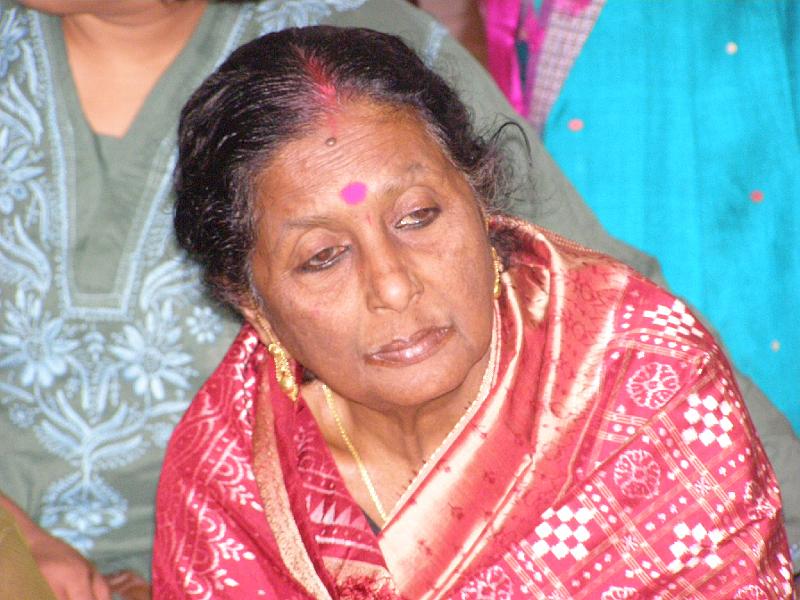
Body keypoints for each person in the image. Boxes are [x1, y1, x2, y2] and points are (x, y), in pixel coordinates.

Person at [1, 0, 797, 597]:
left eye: (419, 217)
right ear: (249, 301)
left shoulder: (637, 386)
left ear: (486, 199)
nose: (392, 284)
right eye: (321, 257)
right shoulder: (233, 477)